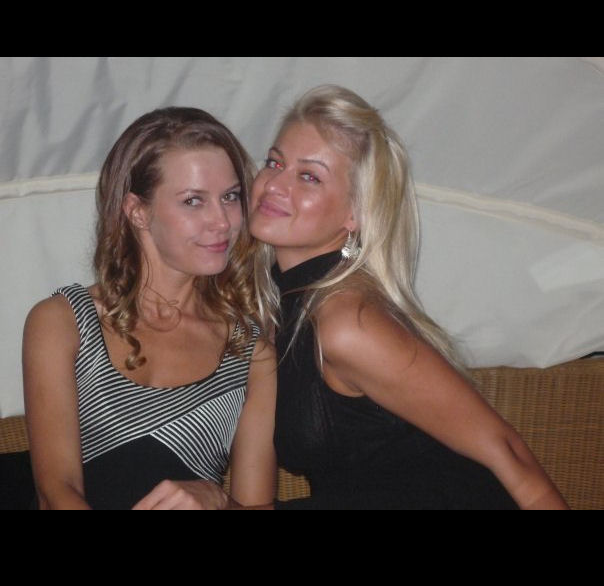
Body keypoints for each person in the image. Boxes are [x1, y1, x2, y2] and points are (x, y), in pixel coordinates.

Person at [248, 84, 569, 509]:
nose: (274, 184)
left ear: (355, 214)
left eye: (309, 176)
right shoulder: (285, 310)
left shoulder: (346, 322)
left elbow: (508, 454)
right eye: (275, 162)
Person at [22, 107, 276, 510]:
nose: (222, 222)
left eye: (230, 197)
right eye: (193, 201)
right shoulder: (63, 322)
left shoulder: (250, 351)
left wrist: (217, 499)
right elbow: (56, 491)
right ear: (137, 211)